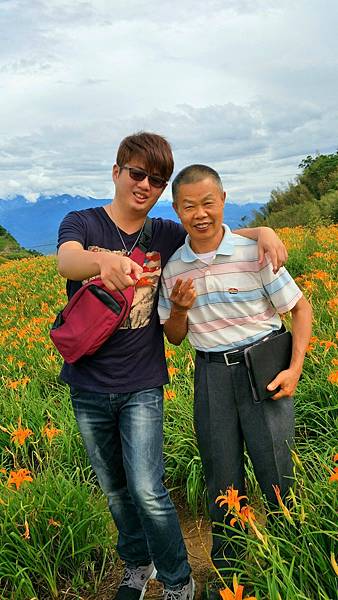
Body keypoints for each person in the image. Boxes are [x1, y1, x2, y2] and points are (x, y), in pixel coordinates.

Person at [56, 133, 288, 600]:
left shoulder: (163, 232)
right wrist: (102, 263)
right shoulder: (81, 221)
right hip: (87, 382)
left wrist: (261, 232)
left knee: (145, 487)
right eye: (137, 173)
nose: (145, 184)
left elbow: (209, 232)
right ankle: (136, 566)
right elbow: (67, 260)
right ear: (117, 170)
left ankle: (178, 580)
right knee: (116, 490)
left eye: (156, 179)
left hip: (142, 381)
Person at [158, 164, 312, 597]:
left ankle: (294, 563)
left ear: (224, 200)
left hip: (264, 371)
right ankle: (230, 577)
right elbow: (173, 337)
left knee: (278, 475)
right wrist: (182, 309)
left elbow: (300, 310)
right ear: (177, 210)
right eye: (190, 206)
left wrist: (295, 368)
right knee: (221, 480)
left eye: (209, 203)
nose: (201, 213)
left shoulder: (255, 253)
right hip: (210, 375)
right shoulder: (173, 269)